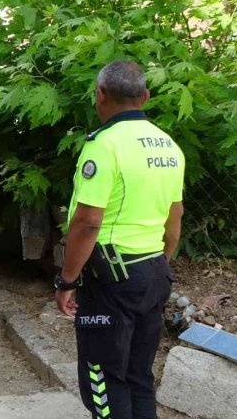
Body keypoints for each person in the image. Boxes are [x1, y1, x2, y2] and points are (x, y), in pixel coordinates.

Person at [54, 60, 185, 419]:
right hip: (155, 272)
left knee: (103, 378)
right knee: (138, 375)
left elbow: (87, 223)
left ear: (100, 95)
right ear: (145, 96)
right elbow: (175, 220)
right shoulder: (169, 146)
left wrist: (67, 280)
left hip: (112, 280)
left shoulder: (104, 145)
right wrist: (160, 263)